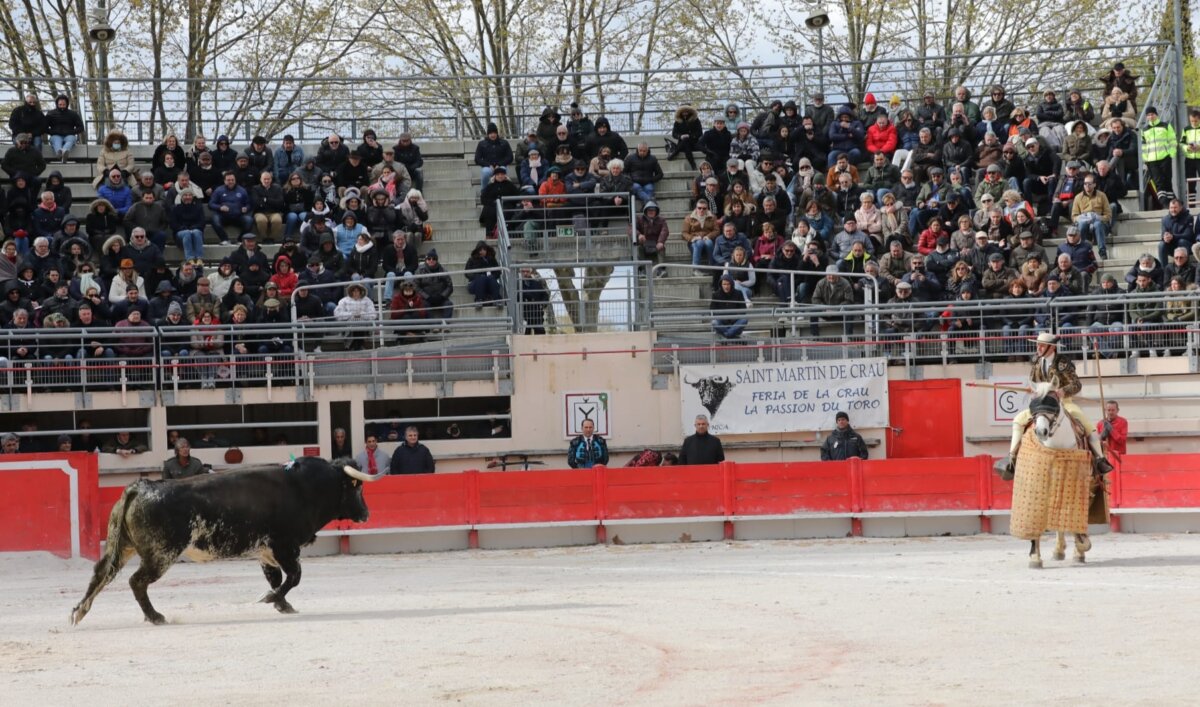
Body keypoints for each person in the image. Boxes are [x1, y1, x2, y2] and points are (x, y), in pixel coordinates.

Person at [1000, 332, 1114, 476]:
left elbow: (1076, 384)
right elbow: (1033, 380)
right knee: (1017, 420)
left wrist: (1062, 391)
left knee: (1087, 426)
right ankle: (1012, 459)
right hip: (1042, 402)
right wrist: (1033, 389)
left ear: (1051, 348)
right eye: (1038, 345)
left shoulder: (1062, 363)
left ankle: (1099, 460)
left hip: (1063, 402)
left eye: (1042, 346)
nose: (1038, 349)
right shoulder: (1036, 361)